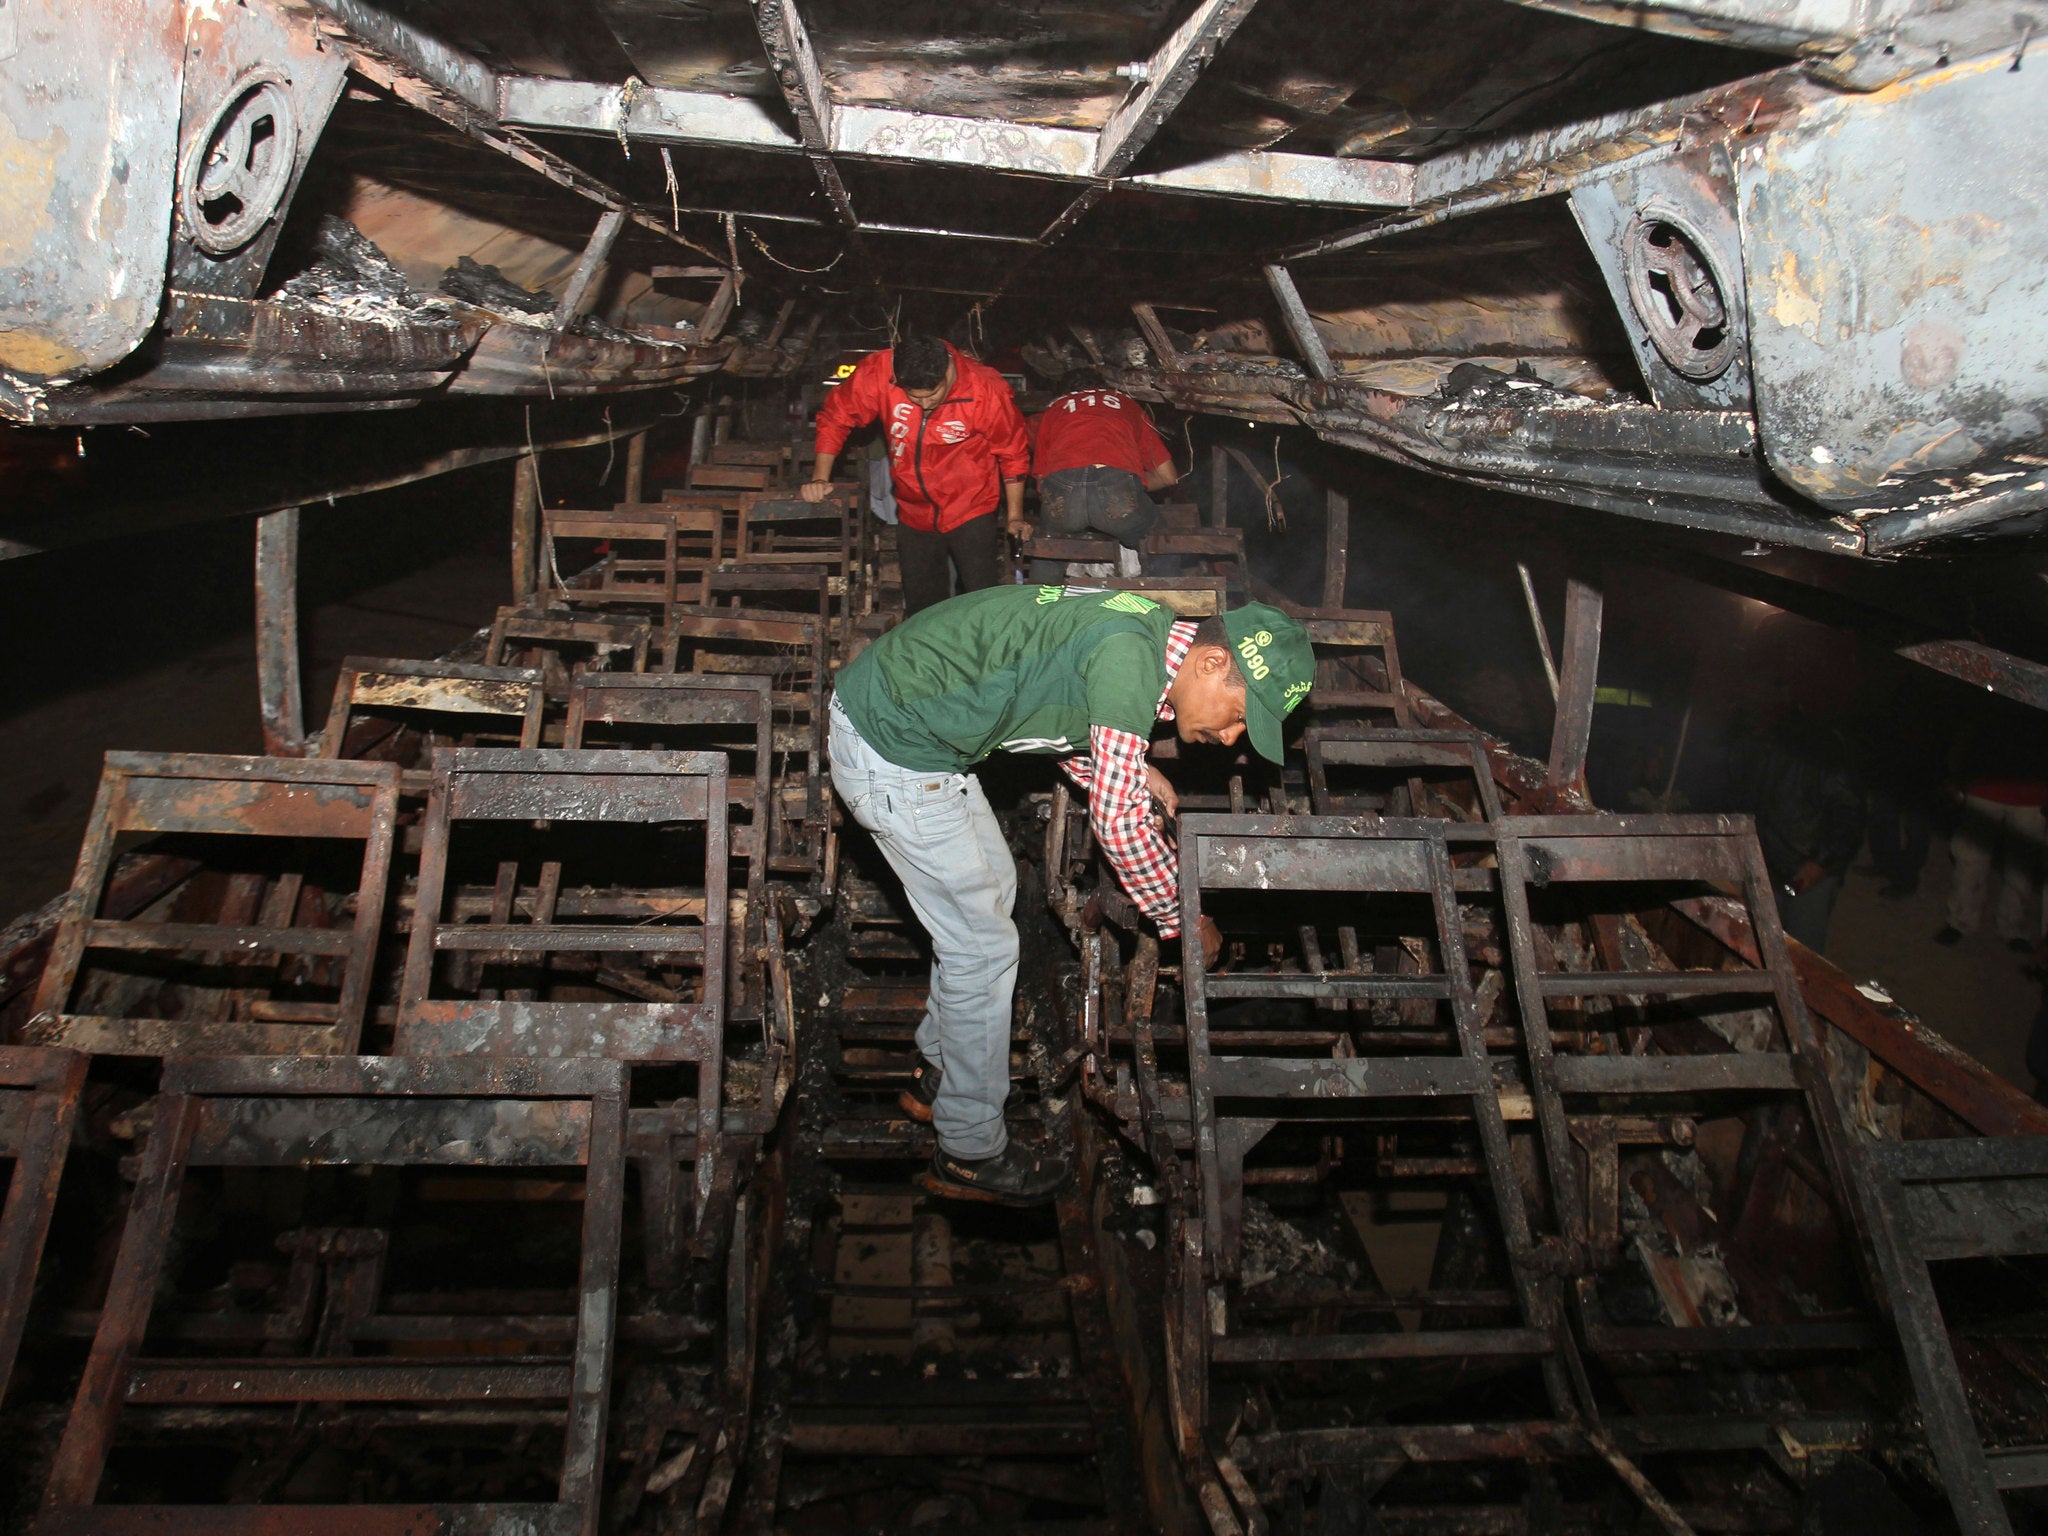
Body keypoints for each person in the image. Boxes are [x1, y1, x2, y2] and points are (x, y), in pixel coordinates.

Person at [828, 584, 1314, 1204]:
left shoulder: (1147, 634)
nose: (1232, 738)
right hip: (892, 746)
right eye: (1241, 715)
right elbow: (1116, 825)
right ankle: (969, 1151)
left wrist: (1131, 768)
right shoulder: (1126, 658)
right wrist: (1183, 918)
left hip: (905, 721)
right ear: (1214, 663)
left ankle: (938, 1070)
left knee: (993, 893)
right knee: (981, 948)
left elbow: (1055, 709)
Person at [803, 334, 1029, 615]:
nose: (924, 405)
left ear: (948, 370)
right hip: (912, 510)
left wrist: (1014, 516)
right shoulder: (878, 372)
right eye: (914, 397)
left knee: (981, 597)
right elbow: (837, 416)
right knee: (922, 605)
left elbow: (1013, 452)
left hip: (971, 506)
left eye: (933, 395)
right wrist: (820, 478)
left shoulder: (985, 389)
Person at [1725, 708, 1866, 954]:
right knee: (1758, 933)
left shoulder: (1824, 758)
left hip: (1806, 866)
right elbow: (1740, 795)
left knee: (1801, 946)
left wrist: (1820, 863)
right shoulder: (1751, 746)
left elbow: (1849, 817)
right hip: (1763, 858)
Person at [1024, 368, 1180, 584]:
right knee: (1163, 543)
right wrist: (1131, 485)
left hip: (1063, 490)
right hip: (1116, 487)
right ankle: (1161, 604)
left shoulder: (1054, 409)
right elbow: (1168, 477)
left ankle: (1038, 607)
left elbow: (1042, 479)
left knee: (1050, 547)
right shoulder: (1125, 404)